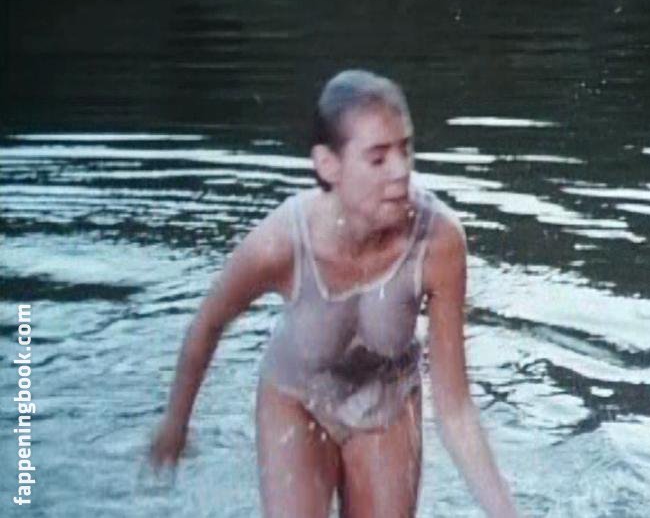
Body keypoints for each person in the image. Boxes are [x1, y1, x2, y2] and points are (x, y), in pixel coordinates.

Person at [149, 69, 520, 517]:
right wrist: (175, 425)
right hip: (297, 400)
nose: (402, 170)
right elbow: (208, 324)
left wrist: (508, 514)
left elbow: (455, 408)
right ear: (329, 165)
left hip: (387, 404)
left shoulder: (438, 241)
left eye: (405, 149)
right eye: (378, 158)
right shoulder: (281, 243)